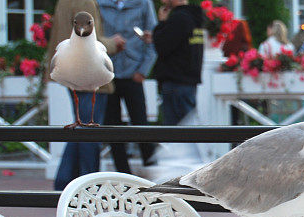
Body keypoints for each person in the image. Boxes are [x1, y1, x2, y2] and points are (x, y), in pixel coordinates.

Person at [47, 0, 125, 190]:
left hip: (69, 70)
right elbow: (87, 42)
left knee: (79, 128)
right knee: (89, 133)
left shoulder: (64, 2)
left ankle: (64, 181)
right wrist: (113, 44)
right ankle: (88, 186)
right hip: (88, 74)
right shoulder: (86, 3)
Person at [98, 0, 157, 173]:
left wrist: (143, 70)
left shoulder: (143, 3)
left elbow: (152, 37)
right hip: (107, 74)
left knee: (141, 125)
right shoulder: (98, 3)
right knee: (112, 128)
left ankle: (152, 171)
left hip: (134, 74)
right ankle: (122, 175)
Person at [152, 0, 204, 126]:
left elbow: (162, 46)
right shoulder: (193, 17)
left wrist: (162, 24)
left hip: (176, 83)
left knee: (176, 134)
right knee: (188, 130)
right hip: (187, 82)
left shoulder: (179, 18)